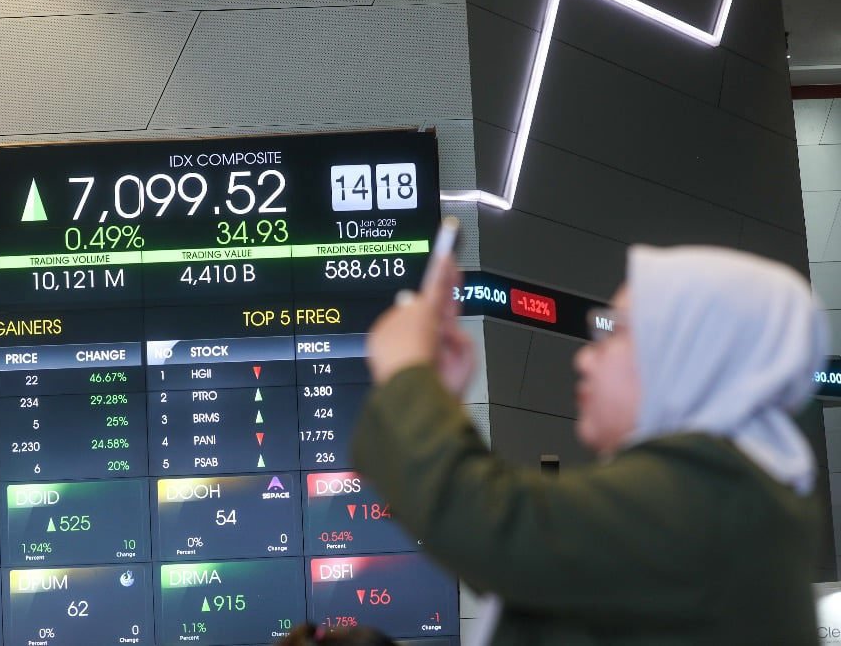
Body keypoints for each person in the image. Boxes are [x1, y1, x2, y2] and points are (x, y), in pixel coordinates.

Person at [352, 244, 828, 645]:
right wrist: (435, 399)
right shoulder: (738, 497)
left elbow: (491, 525)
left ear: (692, 354)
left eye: (614, 332)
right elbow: (522, 562)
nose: (584, 359)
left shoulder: (709, 495)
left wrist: (406, 370)